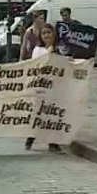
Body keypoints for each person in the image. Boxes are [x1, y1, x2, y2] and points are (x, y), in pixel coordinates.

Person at [24, 25, 63, 153]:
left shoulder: (60, 49)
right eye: (44, 33)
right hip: (41, 86)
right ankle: (31, 137)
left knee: (54, 114)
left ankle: (53, 143)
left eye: (49, 32)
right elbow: (38, 65)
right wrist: (50, 52)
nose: (46, 35)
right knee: (40, 113)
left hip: (56, 86)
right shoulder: (38, 50)